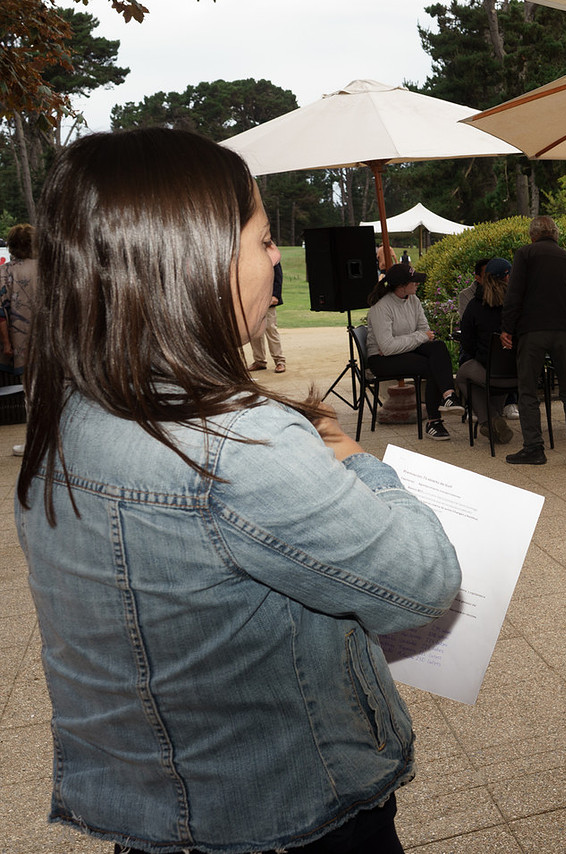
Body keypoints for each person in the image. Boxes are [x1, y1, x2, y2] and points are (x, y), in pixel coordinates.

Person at [16, 127, 462, 854]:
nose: (277, 258)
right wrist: (354, 461)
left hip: (151, 810)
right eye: (263, 239)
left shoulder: (64, 412)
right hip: (285, 814)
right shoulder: (237, 442)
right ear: (195, 259)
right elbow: (424, 580)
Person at [501, 215, 566, 465]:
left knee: (528, 390)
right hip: (563, 330)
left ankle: (534, 448)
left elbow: (514, 293)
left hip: (533, 330)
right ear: (555, 234)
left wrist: (507, 327)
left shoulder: (525, 254)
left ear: (533, 235)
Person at [366, 262, 461, 441]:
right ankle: (434, 421)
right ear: (401, 286)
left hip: (402, 351)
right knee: (430, 365)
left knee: (438, 346)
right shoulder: (381, 308)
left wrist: (408, 340)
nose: (417, 284)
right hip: (381, 360)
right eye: (414, 281)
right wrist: (419, 337)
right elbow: (387, 347)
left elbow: (426, 332)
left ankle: (449, 396)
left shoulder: (413, 300)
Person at [455, 257, 514, 444]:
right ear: (507, 277)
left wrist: (481, 356)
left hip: (490, 372)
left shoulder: (474, 306)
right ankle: (495, 420)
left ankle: (490, 419)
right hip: (520, 373)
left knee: (463, 375)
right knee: (499, 367)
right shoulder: (518, 305)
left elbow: (467, 343)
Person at [1, 223, 36, 457]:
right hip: (53, 343)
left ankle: (33, 442)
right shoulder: (51, 270)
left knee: (30, 392)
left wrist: (6, 343)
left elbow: (0, 312)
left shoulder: (6, 272)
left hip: (22, 341)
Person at [246, 260, 286, 372]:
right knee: (254, 331)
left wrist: (275, 295)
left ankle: (280, 361)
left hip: (268, 299)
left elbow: (278, 277)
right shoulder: (250, 257)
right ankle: (259, 361)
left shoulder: (271, 256)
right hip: (253, 300)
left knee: (270, 329)